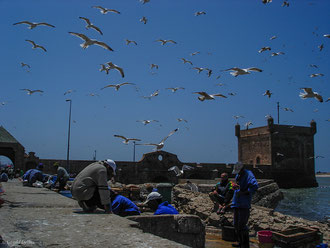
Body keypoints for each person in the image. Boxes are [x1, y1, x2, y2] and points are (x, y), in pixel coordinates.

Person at [231, 162, 258, 248]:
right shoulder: (238, 175)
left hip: (244, 203)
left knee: (242, 225)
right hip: (236, 203)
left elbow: (254, 186)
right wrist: (235, 187)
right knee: (236, 224)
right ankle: (240, 242)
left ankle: (245, 245)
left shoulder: (248, 174)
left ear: (242, 169)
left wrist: (244, 192)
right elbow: (239, 186)